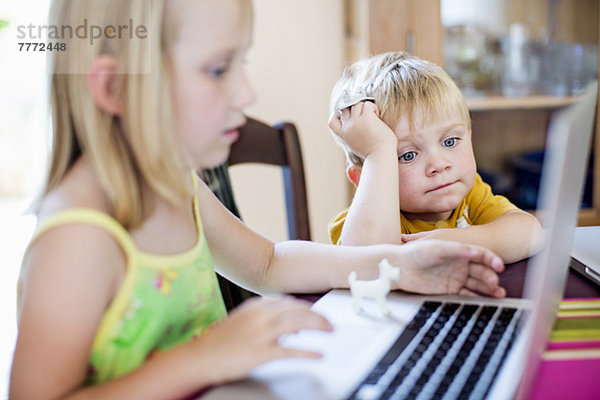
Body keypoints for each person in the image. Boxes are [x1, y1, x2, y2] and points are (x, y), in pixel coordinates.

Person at [10, 2, 507, 399]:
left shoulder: (176, 184)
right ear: (115, 86)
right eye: (218, 69)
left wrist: (398, 265)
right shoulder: (78, 240)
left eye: (240, 64)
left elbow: (269, 264)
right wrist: (205, 357)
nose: (246, 91)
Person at [328, 51, 543, 264]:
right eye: (408, 155)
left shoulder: (470, 196)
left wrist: (459, 241)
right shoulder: (358, 224)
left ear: (469, 136)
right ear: (362, 178)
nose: (439, 165)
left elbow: (530, 233)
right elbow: (366, 264)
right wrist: (378, 151)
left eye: (449, 142)